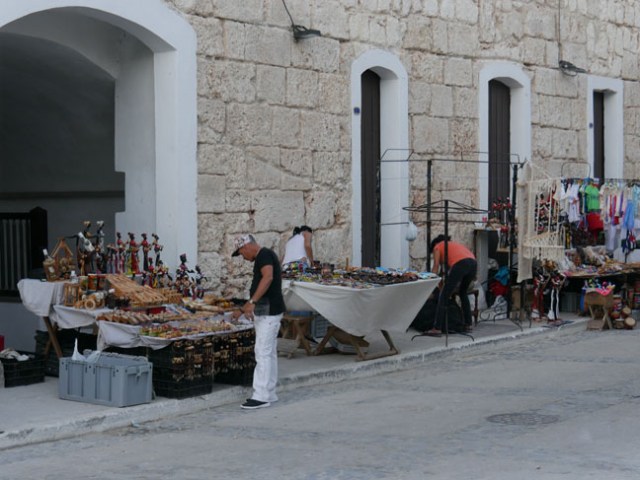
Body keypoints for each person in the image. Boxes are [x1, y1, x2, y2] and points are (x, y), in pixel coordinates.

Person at [231, 234, 285, 409]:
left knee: (262, 352)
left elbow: (267, 278)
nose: (243, 258)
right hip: (267, 310)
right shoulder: (264, 256)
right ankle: (269, 392)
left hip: (269, 312)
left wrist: (252, 302)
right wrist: (244, 308)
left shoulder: (264, 255)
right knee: (268, 353)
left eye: (241, 253)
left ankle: (261, 395)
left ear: (246, 247)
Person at [426, 234, 477, 335]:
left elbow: (436, 268)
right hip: (473, 264)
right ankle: (468, 324)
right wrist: (441, 287)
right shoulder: (452, 246)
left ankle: (437, 328)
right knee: (463, 292)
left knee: (443, 296)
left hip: (461, 264)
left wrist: (428, 284)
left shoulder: (437, 246)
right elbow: (443, 274)